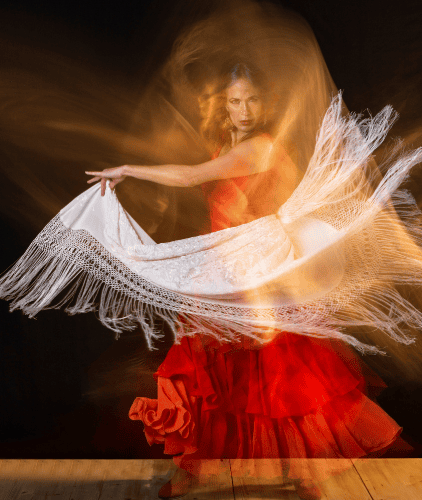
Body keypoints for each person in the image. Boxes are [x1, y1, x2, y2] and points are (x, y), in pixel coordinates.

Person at [85, 63, 404, 500]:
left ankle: (307, 473)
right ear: (225, 106)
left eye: (252, 99)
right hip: (222, 269)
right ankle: (195, 471)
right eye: (235, 101)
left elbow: (194, 177)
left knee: (276, 375)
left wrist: (129, 169)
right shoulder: (227, 142)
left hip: (253, 270)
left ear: (266, 103)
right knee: (208, 374)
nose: (244, 109)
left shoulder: (261, 147)